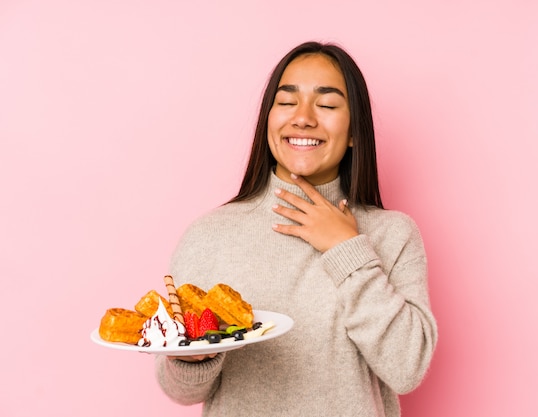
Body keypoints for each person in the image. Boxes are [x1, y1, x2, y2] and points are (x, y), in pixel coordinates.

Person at [155, 41, 437, 417]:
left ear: (355, 131)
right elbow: (179, 390)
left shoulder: (393, 235)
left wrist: (346, 248)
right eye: (287, 102)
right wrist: (193, 358)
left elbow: (407, 368)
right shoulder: (210, 235)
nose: (302, 117)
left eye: (327, 104)